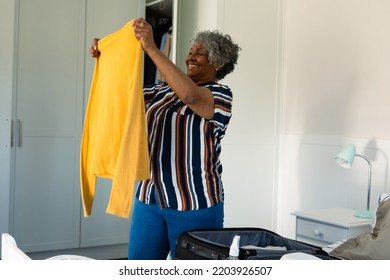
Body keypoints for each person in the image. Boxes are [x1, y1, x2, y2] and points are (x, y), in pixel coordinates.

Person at [90, 18, 240, 260]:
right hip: (149, 199)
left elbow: (191, 97)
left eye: (200, 54)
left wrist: (151, 48)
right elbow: (119, 95)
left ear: (218, 63)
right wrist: (106, 55)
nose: (190, 57)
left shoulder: (220, 95)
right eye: (191, 51)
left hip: (195, 203)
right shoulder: (158, 92)